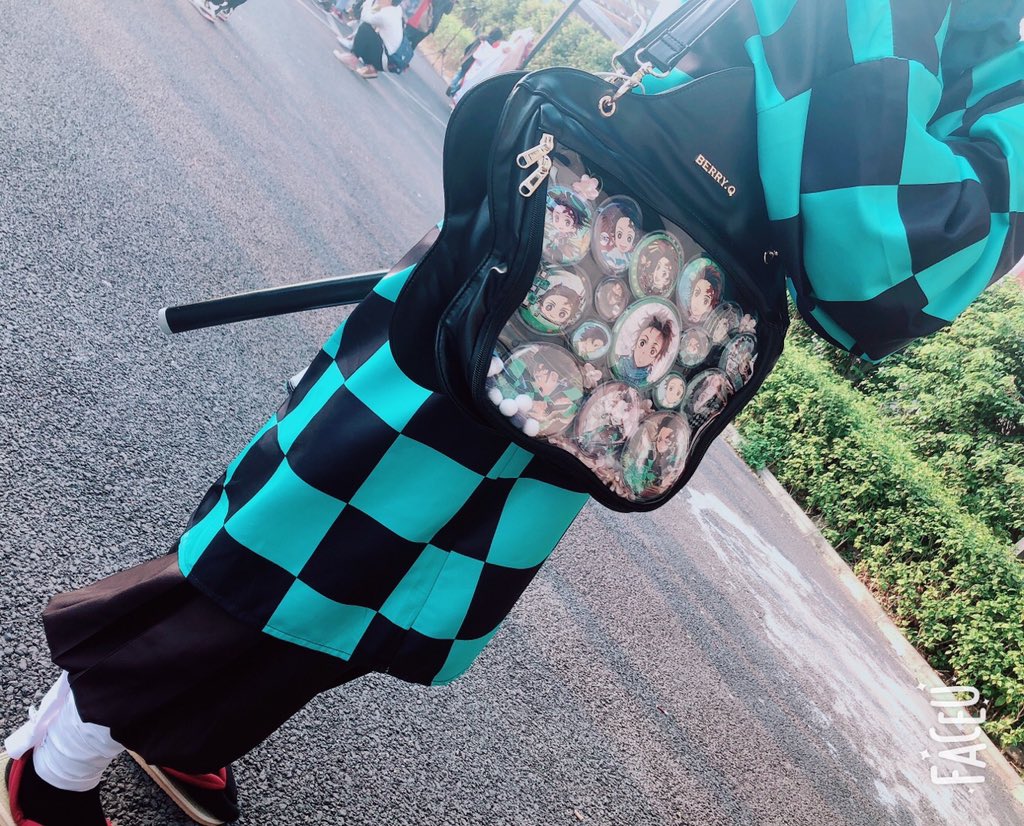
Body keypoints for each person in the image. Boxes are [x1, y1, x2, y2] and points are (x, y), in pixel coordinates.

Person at [3, 2, 1022, 825]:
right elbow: (882, 264)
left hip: (610, 298)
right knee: (304, 537)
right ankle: (51, 767)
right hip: (578, 290)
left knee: (385, 581)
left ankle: (179, 726)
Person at [334, 0, 405, 78]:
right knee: (372, 31)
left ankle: (352, 59)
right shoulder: (396, 9)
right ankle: (371, 69)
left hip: (384, 60)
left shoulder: (386, 14)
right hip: (390, 60)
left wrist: (368, 2)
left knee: (365, 28)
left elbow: (365, 17)